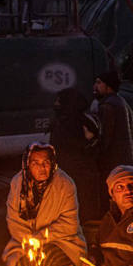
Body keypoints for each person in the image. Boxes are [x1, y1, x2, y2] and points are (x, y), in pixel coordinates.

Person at [3, 143, 87, 266]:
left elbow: (69, 224)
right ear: (28, 164)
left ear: (52, 163)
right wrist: (29, 242)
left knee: (58, 265)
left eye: (46, 163)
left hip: (62, 240)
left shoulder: (65, 183)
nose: (42, 168)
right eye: (35, 163)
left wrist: (40, 238)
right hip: (25, 242)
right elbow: (13, 220)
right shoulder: (18, 183)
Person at [49, 87, 103, 222]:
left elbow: (90, 146)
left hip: (80, 175)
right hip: (69, 173)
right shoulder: (63, 120)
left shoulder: (80, 122)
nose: (56, 104)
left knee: (82, 209)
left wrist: (88, 141)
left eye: (59, 101)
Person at [93, 70, 133, 176]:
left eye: (99, 83)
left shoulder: (108, 106)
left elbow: (105, 137)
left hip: (113, 164)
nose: (95, 86)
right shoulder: (122, 102)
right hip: (126, 161)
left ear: (108, 85)